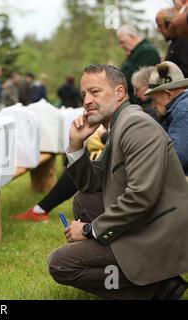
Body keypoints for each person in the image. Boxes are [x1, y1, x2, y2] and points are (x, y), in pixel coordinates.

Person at [47, 64, 188, 300]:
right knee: (85, 201)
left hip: (160, 233)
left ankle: (159, 289)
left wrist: (91, 230)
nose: (87, 101)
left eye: (95, 92)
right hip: (148, 219)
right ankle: (145, 274)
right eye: (84, 95)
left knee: (60, 264)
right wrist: (75, 145)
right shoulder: (118, 125)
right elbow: (91, 184)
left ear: (120, 93)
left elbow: (140, 197)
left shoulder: (135, 125)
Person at [145, 61, 188, 176]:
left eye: (154, 99)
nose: (153, 105)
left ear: (168, 94)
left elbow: (176, 159)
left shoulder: (183, 111)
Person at [116, 25, 161, 103]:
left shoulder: (147, 51)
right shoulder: (135, 52)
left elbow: (141, 81)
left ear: (132, 36)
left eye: (122, 42)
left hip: (142, 102)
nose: (121, 46)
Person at [156, 8, 188, 78]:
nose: (158, 30)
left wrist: (166, 71)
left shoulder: (183, 41)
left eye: (160, 25)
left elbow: (186, 70)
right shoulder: (174, 43)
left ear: (170, 24)